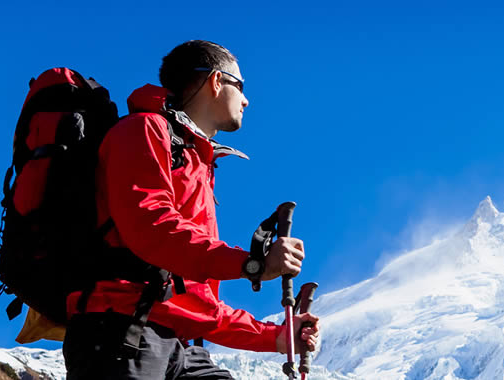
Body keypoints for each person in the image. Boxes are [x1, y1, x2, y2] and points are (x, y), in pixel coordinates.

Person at [62, 40, 320, 379]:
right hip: (119, 330)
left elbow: (197, 299)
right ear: (215, 81)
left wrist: (276, 337)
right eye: (239, 86)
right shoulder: (143, 131)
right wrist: (253, 264)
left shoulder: (195, 161)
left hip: (177, 345)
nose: (246, 100)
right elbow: (152, 227)